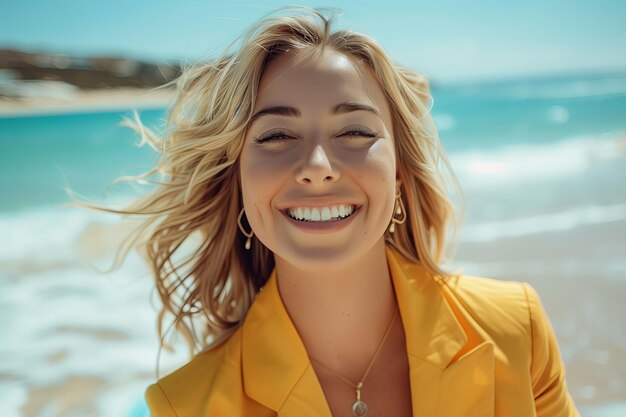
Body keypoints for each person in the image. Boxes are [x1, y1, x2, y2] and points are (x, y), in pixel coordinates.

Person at [121, 7, 580, 417]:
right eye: (277, 136)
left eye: (356, 131)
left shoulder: (516, 330)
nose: (317, 167)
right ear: (238, 182)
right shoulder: (186, 407)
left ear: (399, 171)